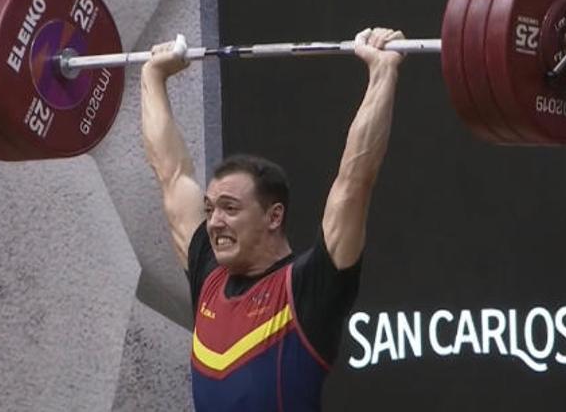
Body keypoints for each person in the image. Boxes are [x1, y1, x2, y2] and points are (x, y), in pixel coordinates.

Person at [140, 27, 405, 411]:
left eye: (230, 208)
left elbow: (355, 180)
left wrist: (382, 72)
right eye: (211, 209)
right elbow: (171, 173)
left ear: (273, 215)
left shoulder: (307, 289)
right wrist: (152, 77)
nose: (214, 222)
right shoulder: (208, 275)